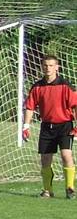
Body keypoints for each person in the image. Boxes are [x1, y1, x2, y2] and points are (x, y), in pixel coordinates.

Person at [22, 55, 77, 199]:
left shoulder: (65, 86)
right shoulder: (37, 86)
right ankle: (47, 190)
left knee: (66, 155)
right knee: (45, 159)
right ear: (42, 67)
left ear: (57, 67)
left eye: (51, 65)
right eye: (45, 65)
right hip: (47, 127)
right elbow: (30, 107)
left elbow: (76, 105)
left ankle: (70, 188)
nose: (48, 68)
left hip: (65, 126)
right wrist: (26, 126)